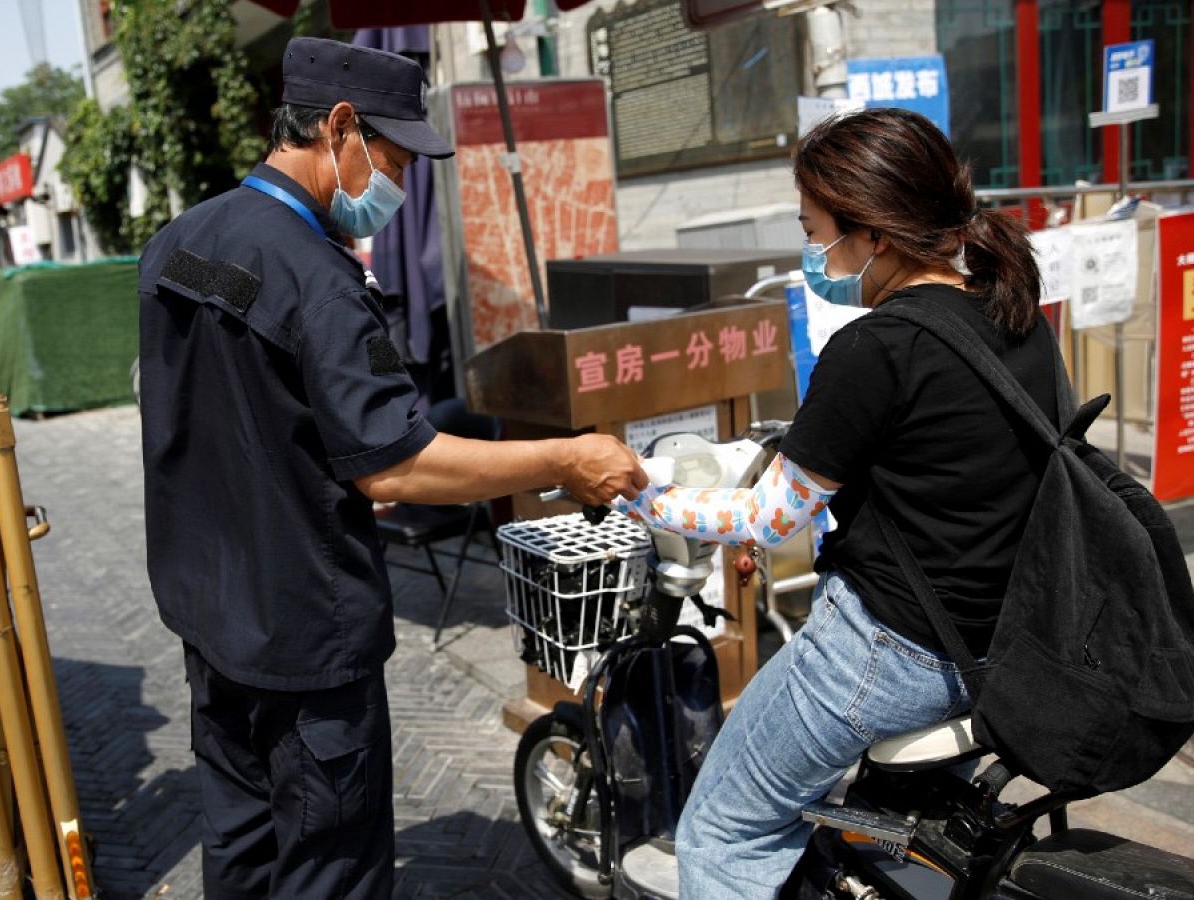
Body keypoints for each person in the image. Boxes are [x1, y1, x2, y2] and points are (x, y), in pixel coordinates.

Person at [138, 37, 647, 900]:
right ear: (339, 129)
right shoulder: (316, 276)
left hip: (209, 614)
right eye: (396, 158)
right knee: (330, 867)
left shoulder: (177, 242)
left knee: (242, 847)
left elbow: (226, 414)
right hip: (304, 636)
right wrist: (567, 455)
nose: (401, 189)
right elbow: (399, 466)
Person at [612, 107, 1060, 898]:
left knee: (723, 830)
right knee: (879, 837)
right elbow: (947, 469)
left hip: (885, 656)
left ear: (875, 234)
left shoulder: (875, 348)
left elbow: (770, 517)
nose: (813, 252)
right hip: (997, 643)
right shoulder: (1014, 314)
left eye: (814, 230)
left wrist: (643, 492)